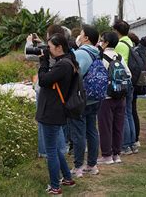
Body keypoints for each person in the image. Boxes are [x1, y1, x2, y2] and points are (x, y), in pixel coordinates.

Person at [36, 33, 78, 194]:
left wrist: (43, 61)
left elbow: (43, 80)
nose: (49, 50)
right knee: (55, 148)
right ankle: (67, 178)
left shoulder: (63, 65)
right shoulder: (68, 60)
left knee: (51, 151)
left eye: (50, 48)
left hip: (51, 112)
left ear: (59, 47)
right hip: (55, 110)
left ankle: (55, 187)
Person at [26, 24, 68, 158]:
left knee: (44, 122)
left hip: (45, 90)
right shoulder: (65, 51)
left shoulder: (47, 52)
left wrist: (29, 41)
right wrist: (43, 44)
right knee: (57, 123)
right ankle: (59, 150)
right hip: (59, 91)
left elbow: (28, 54)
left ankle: (46, 152)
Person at [70, 24, 102, 178]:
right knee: (92, 131)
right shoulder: (97, 52)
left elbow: (76, 75)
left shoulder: (81, 53)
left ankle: (78, 167)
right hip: (95, 97)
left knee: (79, 134)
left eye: (81, 34)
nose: (79, 36)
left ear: (86, 38)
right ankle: (92, 165)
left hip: (82, 99)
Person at [97, 32, 131, 165]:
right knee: (118, 125)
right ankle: (116, 154)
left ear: (105, 42)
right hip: (121, 96)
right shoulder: (119, 56)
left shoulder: (101, 57)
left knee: (105, 126)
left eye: (101, 40)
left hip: (106, 97)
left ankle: (106, 155)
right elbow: (129, 74)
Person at [113, 20, 137, 155]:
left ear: (116, 31)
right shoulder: (129, 42)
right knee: (129, 112)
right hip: (131, 81)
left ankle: (125, 145)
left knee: (124, 115)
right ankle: (132, 142)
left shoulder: (119, 45)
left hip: (122, 82)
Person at [132, 36, 146, 147]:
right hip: (141, 84)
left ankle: (133, 138)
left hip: (134, 84)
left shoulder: (136, 52)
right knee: (133, 111)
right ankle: (136, 138)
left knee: (130, 112)